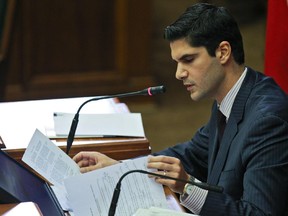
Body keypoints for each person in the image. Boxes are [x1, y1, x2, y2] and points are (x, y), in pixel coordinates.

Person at [73, 3, 288, 215]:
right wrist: (121, 168)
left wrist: (187, 188)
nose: (179, 74)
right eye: (177, 62)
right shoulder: (232, 96)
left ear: (223, 52)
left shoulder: (267, 120)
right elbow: (192, 154)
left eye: (188, 60)